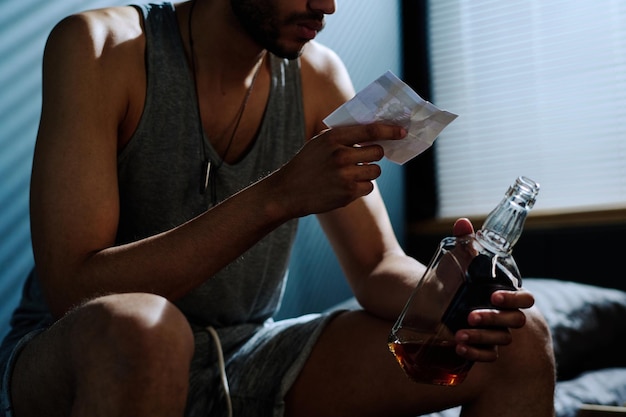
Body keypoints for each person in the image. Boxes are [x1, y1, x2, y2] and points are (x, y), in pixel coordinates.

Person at [0, 0, 556, 416]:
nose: (327, 6)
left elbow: (376, 267)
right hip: (91, 354)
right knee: (148, 331)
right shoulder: (100, 49)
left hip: (242, 354)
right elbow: (75, 291)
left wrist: (450, 293)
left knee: (523, 339)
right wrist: (279, 195)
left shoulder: (316, 77)